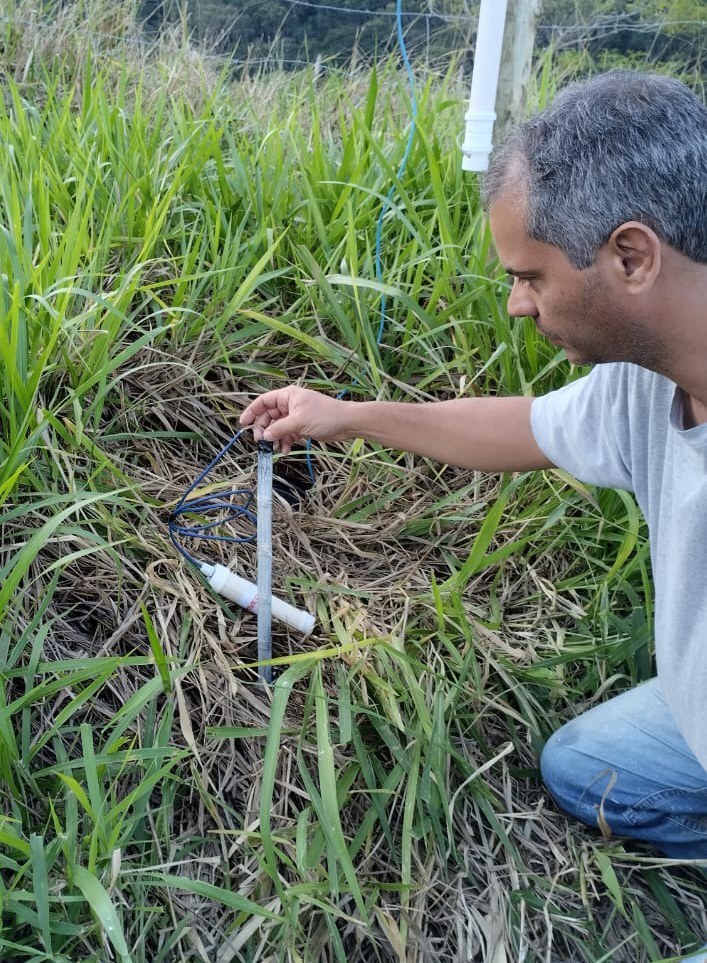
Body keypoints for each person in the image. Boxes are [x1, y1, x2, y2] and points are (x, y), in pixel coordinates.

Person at [240, 69, 707, 921]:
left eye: (529, 275)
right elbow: (524, 428)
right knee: (586, 768)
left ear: (630, 255)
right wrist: (348, 415)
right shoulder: (646, 380)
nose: (514, 304)